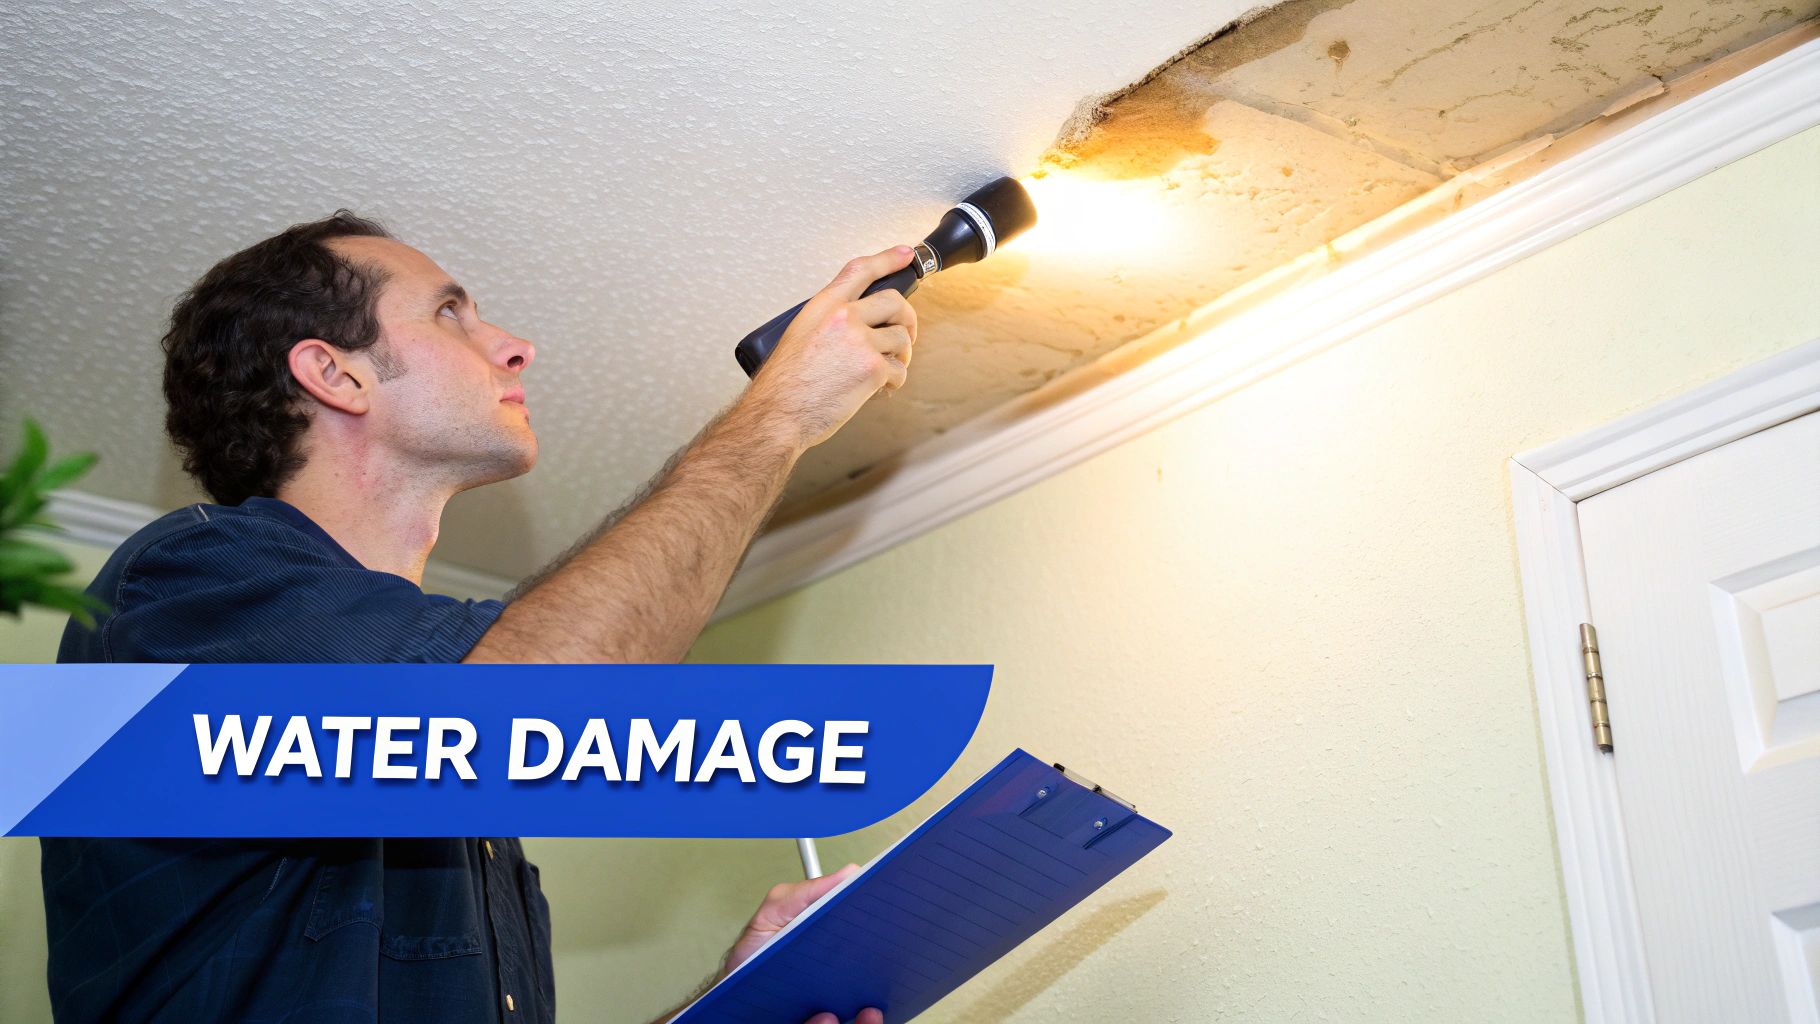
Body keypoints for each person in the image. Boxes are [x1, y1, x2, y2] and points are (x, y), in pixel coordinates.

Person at [46, 211, 912, 1023]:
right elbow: (542, 707)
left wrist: (729, 1007)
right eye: (451, 313)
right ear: (334, 373)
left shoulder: (451, 776)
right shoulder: (187, 584)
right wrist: (779, 417)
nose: (515, 347)